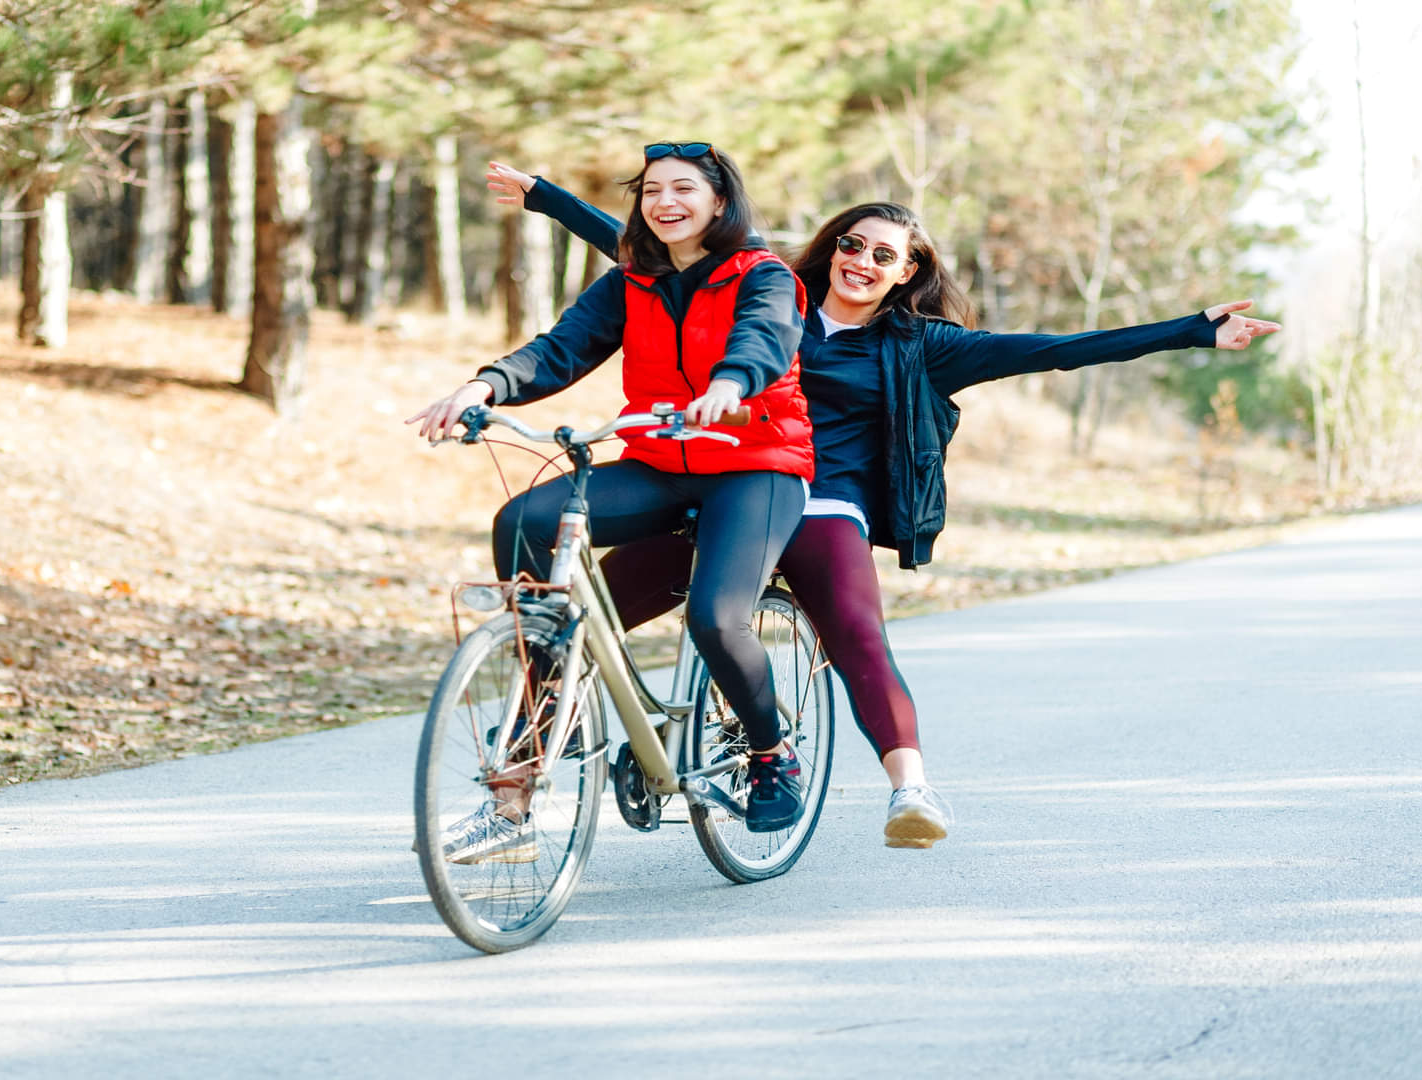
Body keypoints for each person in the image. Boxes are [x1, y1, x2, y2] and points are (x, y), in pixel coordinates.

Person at [487, 161, 1279, 849]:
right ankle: (527, 783)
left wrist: (1192, 334)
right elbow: (652, 253)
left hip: (825, 504)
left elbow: (1059, 349)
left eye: (884, 255)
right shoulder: (772, 291)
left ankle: (911, 789)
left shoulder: (926, 345)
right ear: (832, 247)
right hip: (725, 483)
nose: (862, 261)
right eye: (853, 244)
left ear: (907, 272)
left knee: (856, 632)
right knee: (579, 620)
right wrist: (545, 198)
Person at [409, 142, 818, 863]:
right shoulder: (633, 279)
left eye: (683, 189)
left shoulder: (766, 277)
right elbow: (562, 348)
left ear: (719, 202)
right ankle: (537, 729)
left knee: (718, 619)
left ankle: (769, 753)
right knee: (524, 523)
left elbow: (763, 338)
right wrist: (484, 386)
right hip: (660, 461)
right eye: (652, 190)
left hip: (756, 464)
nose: (665, 202)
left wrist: (731, 385)